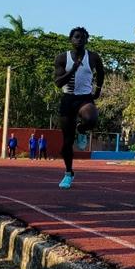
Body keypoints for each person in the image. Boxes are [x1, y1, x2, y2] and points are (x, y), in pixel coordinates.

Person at [53, 27, 105, 188]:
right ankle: (68, 173)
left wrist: (97, 90)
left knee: (92, 119)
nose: (79, 39)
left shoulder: (94, 57)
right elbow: (58, 82)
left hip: (84, 98)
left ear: (86, 40)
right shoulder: (62, 58)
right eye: (76, 37)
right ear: (71, 39)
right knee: (67, 143)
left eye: (83, 37)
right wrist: (73, 69)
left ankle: (81, 130)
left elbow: (101, 74)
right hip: (68, 99)